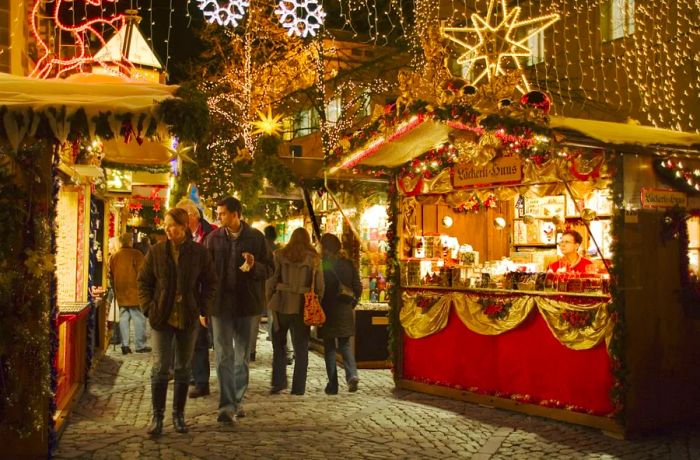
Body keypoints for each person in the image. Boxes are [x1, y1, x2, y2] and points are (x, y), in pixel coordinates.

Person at [137, 208, 217, 436]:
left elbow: (211, 281)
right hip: (162, 317)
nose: (167, 229)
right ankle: (157, 416)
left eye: (172, 225)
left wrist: (203, 306)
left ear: (183, 227)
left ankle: (178, 415)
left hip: (187, 317)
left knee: (183, 367)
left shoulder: (198, 253)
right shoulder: (156, 252)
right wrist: (148, 308)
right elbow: (144, 281)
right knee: (161, 366)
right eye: (166, 224)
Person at [204, 196, 273, 423]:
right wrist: (203, 306)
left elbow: (270, 270)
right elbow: (204, 274)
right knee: (223, 355)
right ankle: (226, 406)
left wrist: (255, 266)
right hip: (220, 306)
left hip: (247, 305)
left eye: (222, 213)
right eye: (218, 213)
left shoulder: (255, 238)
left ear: (235, 214)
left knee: (241, 356)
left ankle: (237, 399)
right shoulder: (213, 239)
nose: (219, 217)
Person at [267, 227, 324, 396]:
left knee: (278, 345)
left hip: (280, 305)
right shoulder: (315, 259)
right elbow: (320, 286)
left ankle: (278, 382)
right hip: (302, 307)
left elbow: (271, 281)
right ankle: (298, 388)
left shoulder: (279, 255)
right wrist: (316, 302)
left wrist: (269, 299)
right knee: (301, 350)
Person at [176, 198, 218, 399]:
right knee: (187, 338)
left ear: (193, 216)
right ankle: (192, 375)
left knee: (200, 339)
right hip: (185, 295)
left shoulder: (212, 235)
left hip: (203, 295)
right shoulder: (181, 236)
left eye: (182, 217)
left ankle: (201, 382)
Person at [318, 233, 362, 394]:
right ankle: (352, 375)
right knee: (345, 345)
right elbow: (358, 287)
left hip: (327, 309)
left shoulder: (324, 265)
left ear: (326, 248)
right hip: (344, 309)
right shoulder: (348, 264)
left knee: (329, 348)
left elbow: (320, 288)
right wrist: (352, 303)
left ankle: (333, 384)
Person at [109, 232, 148, 355]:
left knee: (124, 318)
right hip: (135, 292)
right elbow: (143, 273)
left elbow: (111, 273)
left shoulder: (115, 256)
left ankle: (125, 345)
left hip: (121, 292)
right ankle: (140, 345)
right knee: (139, 318)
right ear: (130, 241)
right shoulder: (136, 254)